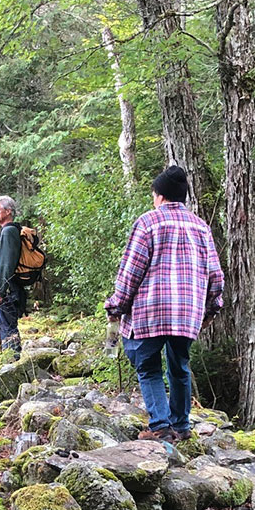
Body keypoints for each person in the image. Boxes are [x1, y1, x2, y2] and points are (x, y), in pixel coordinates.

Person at [104, 165, 224, 443]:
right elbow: (215, 276)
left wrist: (116, 306)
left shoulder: (147, 223)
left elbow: (131, 272)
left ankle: (160, 427)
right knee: (180, 365)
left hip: (150, 312)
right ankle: (181, 426)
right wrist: (210, 309)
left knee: (147, 367)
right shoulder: (201, 227)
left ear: (159, 196)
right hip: (186, 313)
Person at [0, 195, 25, 356]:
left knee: (7, 330)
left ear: (8, 211)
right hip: (11, 290)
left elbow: (5, 264)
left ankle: (12, 365)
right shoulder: (9, 231)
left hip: (8, 292)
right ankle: (12, 364)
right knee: (6, 328)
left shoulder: (9, 232)